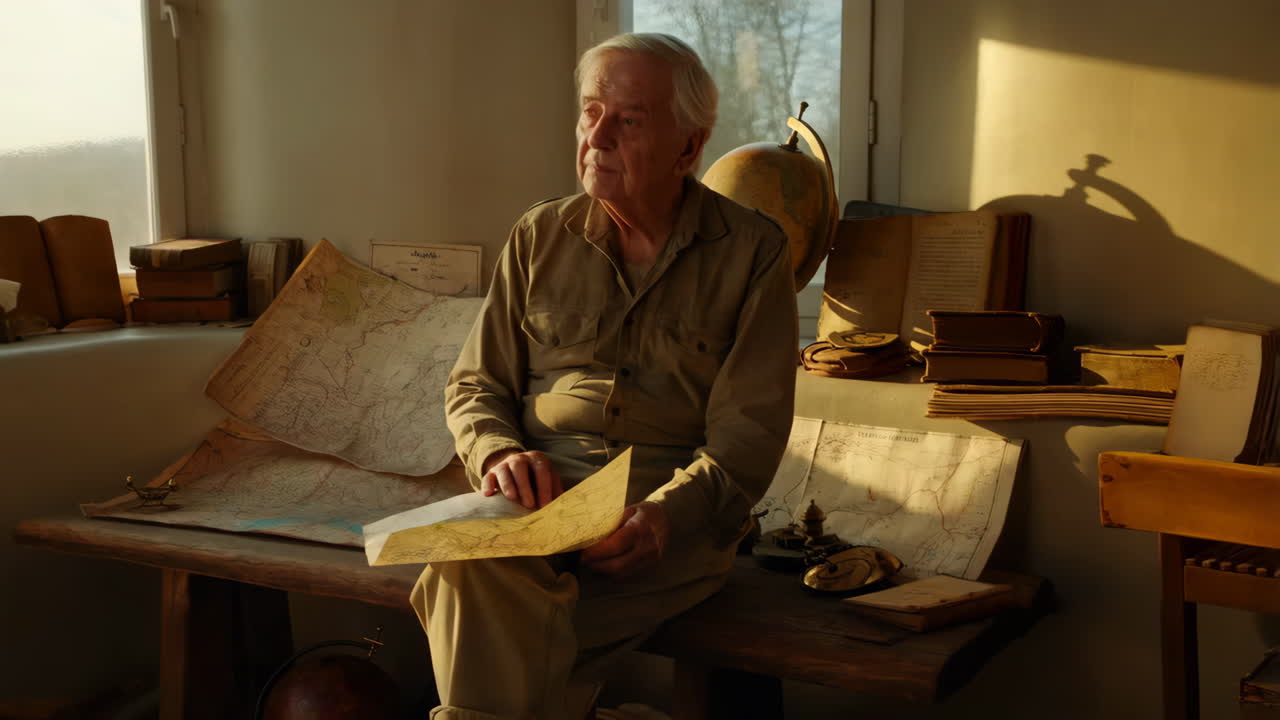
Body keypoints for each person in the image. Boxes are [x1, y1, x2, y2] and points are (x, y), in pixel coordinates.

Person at [410, 32, 798, 720]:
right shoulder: (539, 235)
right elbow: (476, 385)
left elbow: (749, 435)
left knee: (471, 604)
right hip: (533, 509)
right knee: (467, 564)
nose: (598, 135)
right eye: (591, 111)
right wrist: (497, 453)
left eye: (629, 118)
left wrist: (666, 517)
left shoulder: (754, 252)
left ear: (689, 147)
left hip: (658, 522)